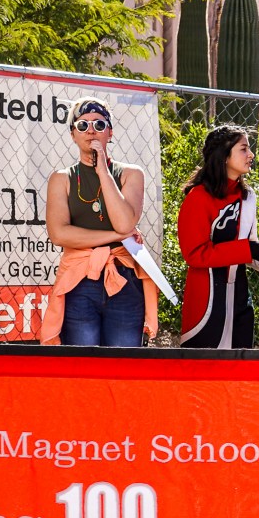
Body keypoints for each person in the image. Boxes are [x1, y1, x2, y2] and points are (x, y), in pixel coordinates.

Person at [39, 99, 154, 347]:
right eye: (82, 125)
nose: (91, 130)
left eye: (99, 125)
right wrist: (115, 237)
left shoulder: (131, 173)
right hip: (80, 279)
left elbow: (124, 223)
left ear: (110, 132)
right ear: (73, 134)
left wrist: (102, 170)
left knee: (123, 363)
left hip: (123, 278)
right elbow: (59, 234)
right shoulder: (61, 178)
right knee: (83, 362)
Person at [178, 125, 259, 348]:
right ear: (224, 156)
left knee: (240, 364)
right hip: (206, 299)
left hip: (240, 297)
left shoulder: (248, 196)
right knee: (205, 366)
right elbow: (195, 254)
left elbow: (248, 246)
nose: (251, 155)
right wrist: (248, 249)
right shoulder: (198, 197)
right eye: (244, 149)